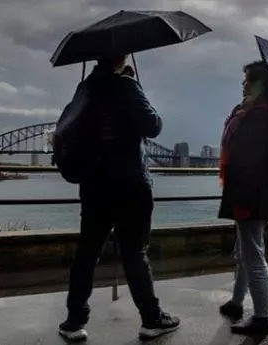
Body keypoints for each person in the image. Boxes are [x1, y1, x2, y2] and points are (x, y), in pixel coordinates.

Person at [58, 55, 179, 342]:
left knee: (87, 252)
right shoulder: (127, 86)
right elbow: (153, 126)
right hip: (129, 184)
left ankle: (74, 321)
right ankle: (151, 319)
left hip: (94, 184)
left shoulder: (84, 89)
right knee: (134, 252)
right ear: (121, 56)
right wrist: (133, 86)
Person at [217, 61, 268, 335]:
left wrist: (242, 201)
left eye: (247, 80)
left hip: (249, 194)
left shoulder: (261, 117)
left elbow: (252, 162)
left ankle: (262, 317)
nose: (243, 84)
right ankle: (237, 302)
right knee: (245, 251)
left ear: (259, 84)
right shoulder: (257, 113)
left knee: (253, 255)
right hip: (250, 193)